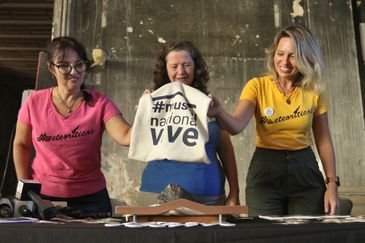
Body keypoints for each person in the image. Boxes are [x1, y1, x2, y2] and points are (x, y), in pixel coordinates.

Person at [209, 25, 339, 216]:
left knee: (306, 235)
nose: (284, 61)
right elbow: (236, 125)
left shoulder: (314, 91)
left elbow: (324, 141)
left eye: (292, 56)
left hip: (305, 171)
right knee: (264, 234)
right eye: (280, 53)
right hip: (265, 172)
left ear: (305, 57)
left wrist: (332, 184)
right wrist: (219, 111)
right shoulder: (257, 86)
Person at [13, 36, 132, 216]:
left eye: (79, 65)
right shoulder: (34, 103)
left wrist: (150, 111)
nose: (73, 71)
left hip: (92, 200)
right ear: (52, 68)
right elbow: (21, 144)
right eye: (64, 65)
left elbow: (125, 136)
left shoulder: (100, 103)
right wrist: (25, 187)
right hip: (44, 198)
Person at [138, 40, 240, 206]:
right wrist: (145, 112)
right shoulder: (154, 101)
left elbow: (226, 151)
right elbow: (138, 141)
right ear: (165, 69)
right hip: (157, 195)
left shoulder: (209, 103)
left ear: (196, 67)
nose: (181, 72)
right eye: (174, 66)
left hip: (209, 198)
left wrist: (234, 191)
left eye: (186, 65)